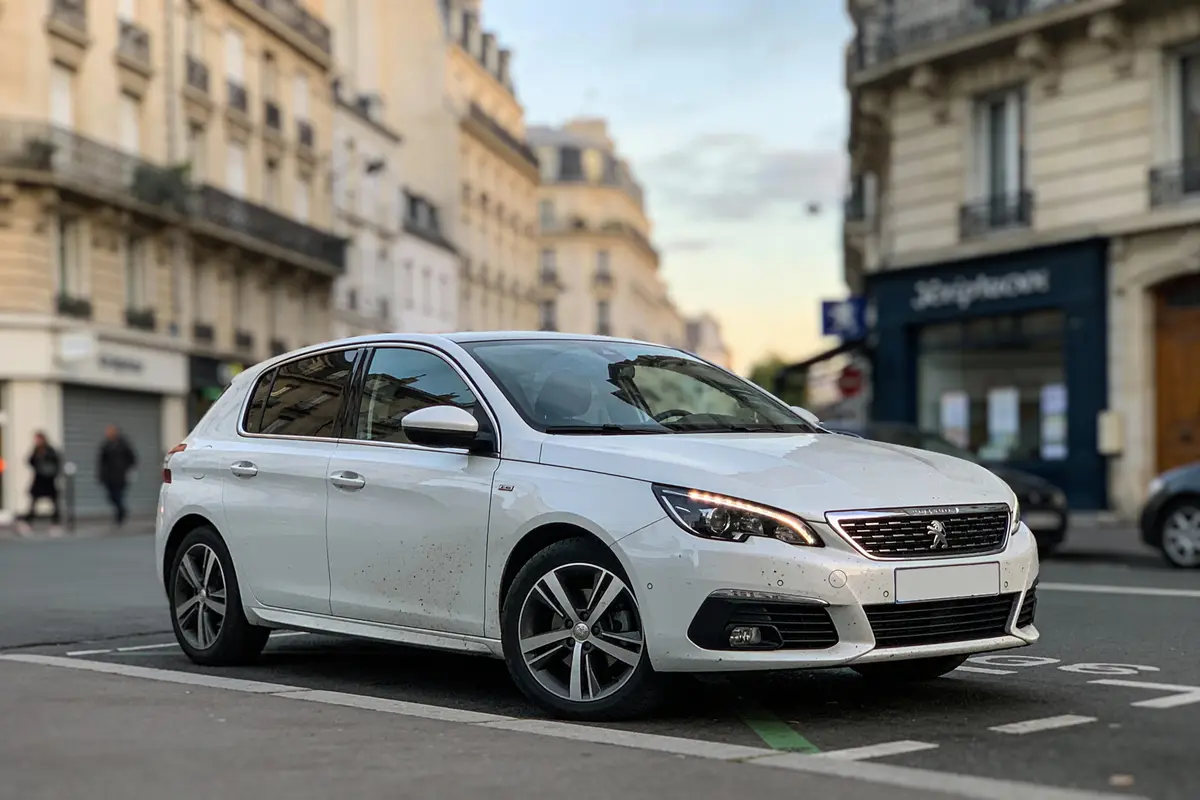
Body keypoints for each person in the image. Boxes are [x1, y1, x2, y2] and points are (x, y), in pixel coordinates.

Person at [16, 432, 62, 537]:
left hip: (48, 480)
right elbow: (30, 461)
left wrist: (51, 471)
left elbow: (56, 463)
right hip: (39, 480)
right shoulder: (36, 450)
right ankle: (28, 523)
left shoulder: (50, 450)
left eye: (38, 439)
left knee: (54, 502)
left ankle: (55, 524)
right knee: (34, 502)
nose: (36, 441)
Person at [97, 424, 137, 528]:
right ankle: (120, 512)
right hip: (108, 476)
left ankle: (120, 515)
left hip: (120, 475)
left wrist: (126, 468)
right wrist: (101, 475)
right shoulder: (106, 445)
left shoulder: (123, 444)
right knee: (111, 497)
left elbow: (132, 458)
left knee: (118, 495)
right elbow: (102, 461)